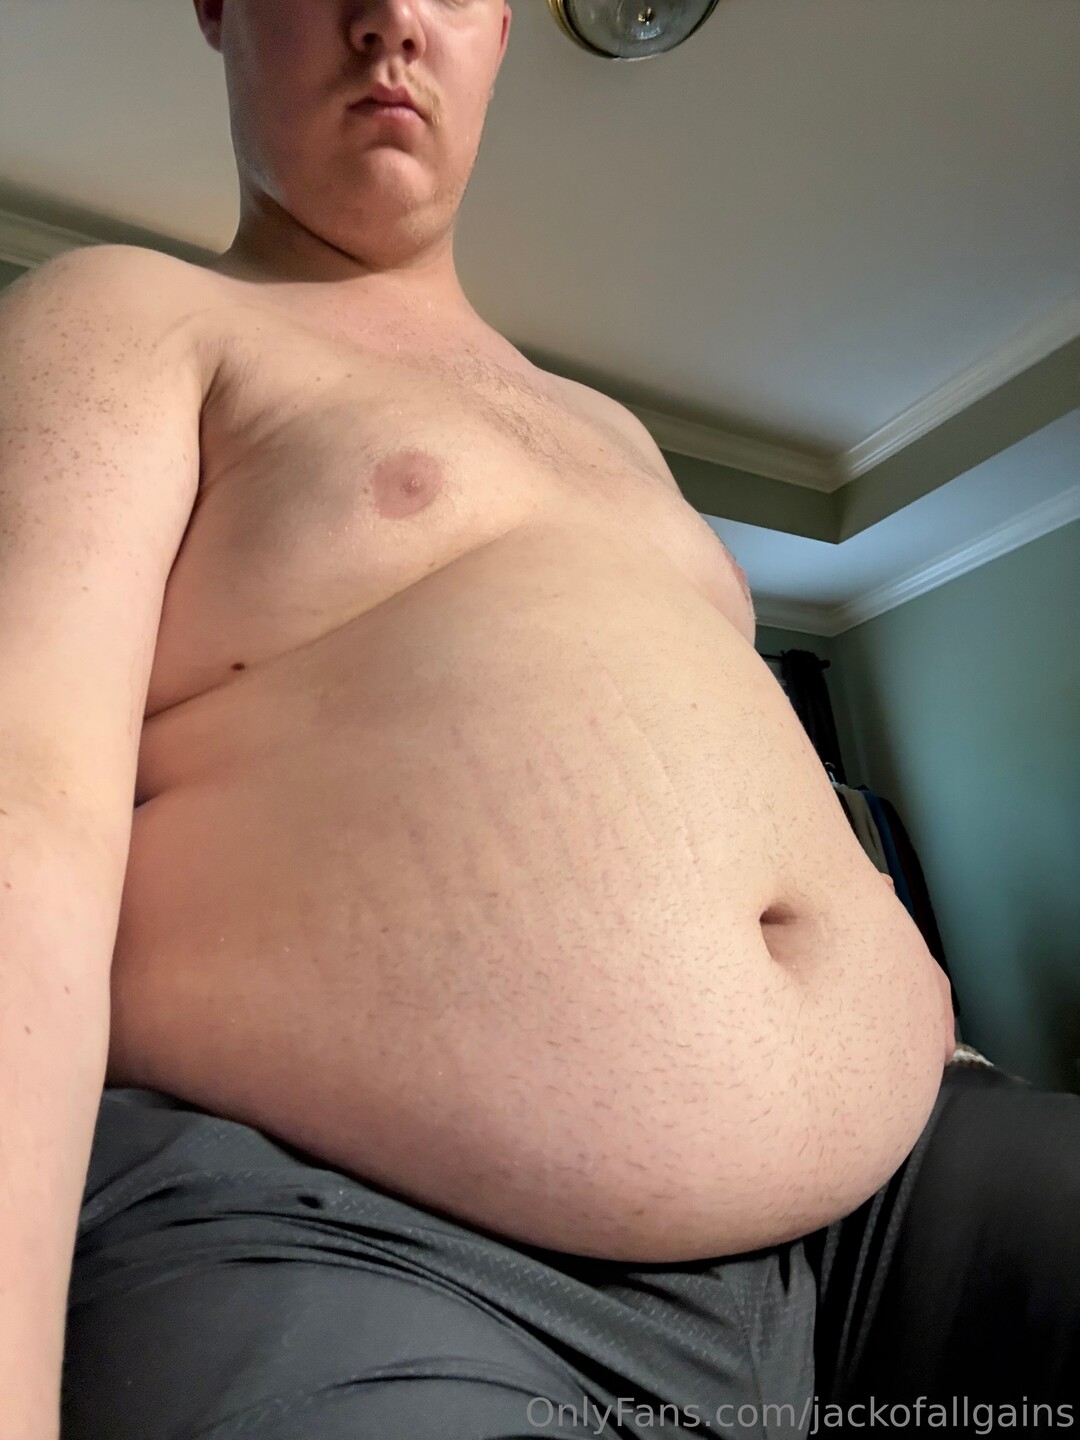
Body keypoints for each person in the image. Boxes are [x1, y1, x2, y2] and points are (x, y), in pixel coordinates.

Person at [0, 1, 1075, 1435]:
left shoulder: (613, 433)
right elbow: (25, 813)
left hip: (894, 1202)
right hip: (360, 1239)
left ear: (498, 33)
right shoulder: (127, 313)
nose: (391, 19)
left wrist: (891, 988)